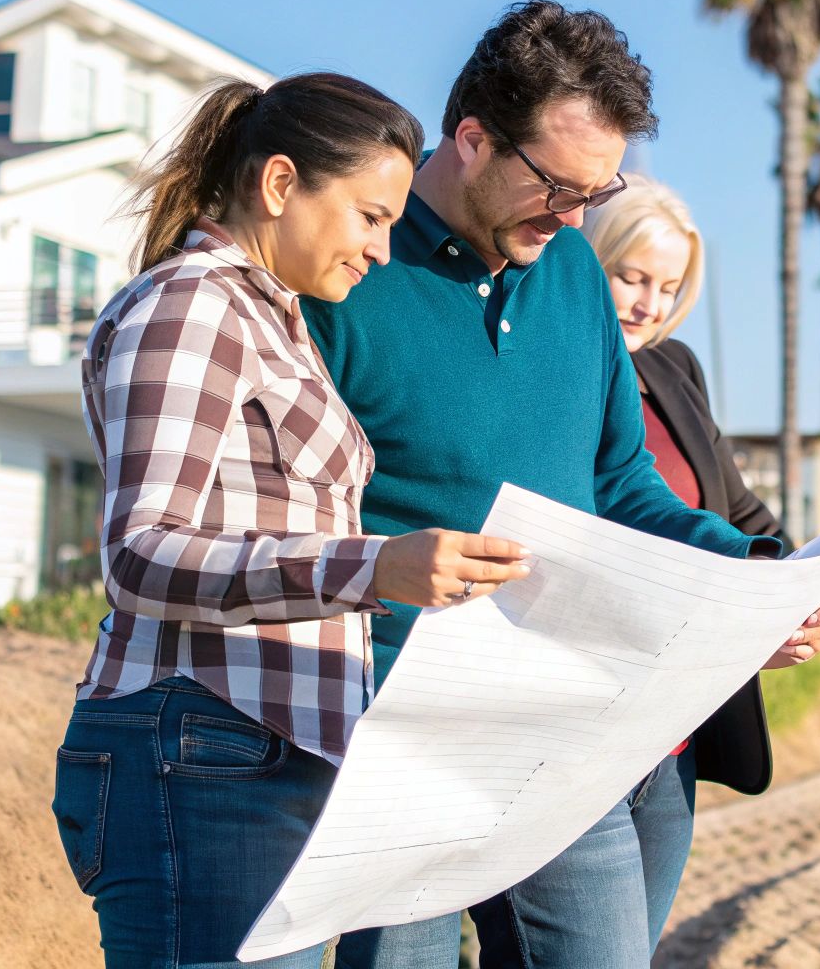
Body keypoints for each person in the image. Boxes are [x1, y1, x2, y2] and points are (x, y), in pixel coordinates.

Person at [300, 1, 820, 968]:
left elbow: (623, 483)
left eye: (597, 194)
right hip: (392, 735)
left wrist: (759, 573)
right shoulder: (348, 269)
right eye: (557, 186)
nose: (572, 218)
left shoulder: (574, 278)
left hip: (558, 727)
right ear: (473, 138)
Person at [51, 72, 530, 969]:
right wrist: (372, 567)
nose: (382, 250)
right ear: (279, 184)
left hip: (252, 755)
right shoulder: (192, 306)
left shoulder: (275, 321)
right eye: (370, 217)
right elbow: (139, 555)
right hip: (200, 752)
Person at [463, 175, 781, 960]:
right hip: (564, 730)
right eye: (631, 277)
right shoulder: (532, 360)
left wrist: (795, 576)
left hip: (669, 738)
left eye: (668, 288)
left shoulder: (676, 371)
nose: (648, 305)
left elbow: (739, 513)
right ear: (583, 259)